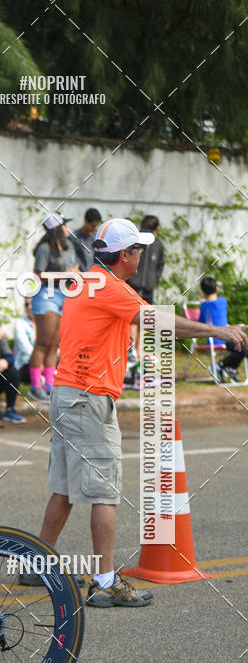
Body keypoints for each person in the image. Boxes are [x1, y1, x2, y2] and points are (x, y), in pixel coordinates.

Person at [35, 218, 247, 606]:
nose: (142, 254)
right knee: (104, 493)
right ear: (124, 256)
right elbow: (163, 323)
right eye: (137, 249)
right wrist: (220, 331)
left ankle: (37, 565)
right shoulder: (114, 289)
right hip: (89, 397)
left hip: (68, 393)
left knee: (64, 488)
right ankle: (103, 581)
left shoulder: (87, 281)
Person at [28, 212, 80, 402]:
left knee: (55, 344)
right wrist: (64, 276)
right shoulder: (44, 248)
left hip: (65, 296)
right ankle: (35, 386)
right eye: (65, 224)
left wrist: (75, 274)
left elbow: (75, 270)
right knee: (42, 343)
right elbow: (38, 275)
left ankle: (50, 385)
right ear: (57, 228)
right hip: (46, 296)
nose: (68, 228)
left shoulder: (69, 247)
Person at [129, 215, 165, 354]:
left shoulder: (158, 245)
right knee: (132, 319)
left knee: (145, 321)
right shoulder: (135, 243)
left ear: (155, 231)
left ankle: (139, 353)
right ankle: (130, 352)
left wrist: (154, 280)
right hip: (133, 287)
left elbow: (160, 265)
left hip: (148, 289)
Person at [72, 207, 102, 272]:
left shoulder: (97, 236)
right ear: (86, 221)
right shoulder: (74, 237)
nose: (94, 228)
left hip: (96, 274)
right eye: (93, 226)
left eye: (96, 226)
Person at [13, 297, 36, 383]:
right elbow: (25, 348)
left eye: (32, 304)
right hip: (25, 365)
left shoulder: (45, 324)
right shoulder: (20, 323)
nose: (29, 307)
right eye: (27, 304)